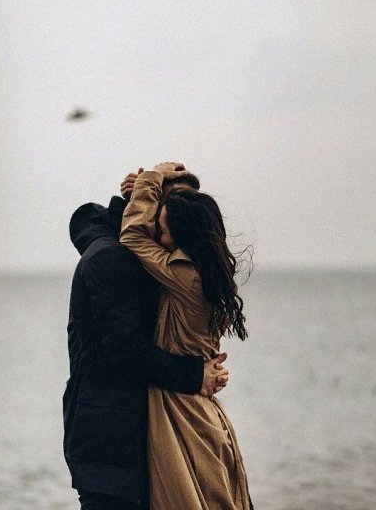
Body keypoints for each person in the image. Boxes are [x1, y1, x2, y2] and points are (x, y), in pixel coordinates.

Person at [63, 170, 229, 510]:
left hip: (133, 432)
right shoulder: (111, 258)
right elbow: (126, 351)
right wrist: (196, 374)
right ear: (151, 207)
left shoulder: (151, 262)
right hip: (112, 441)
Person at [120, 162, 253, 510]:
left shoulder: (183, 275)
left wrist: (152, 177)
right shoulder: (212, 273)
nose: (160, 237)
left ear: (183, 236)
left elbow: (132, 235)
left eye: (164, 231)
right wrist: (144, 191)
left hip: (182, 413)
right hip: (204, 411)